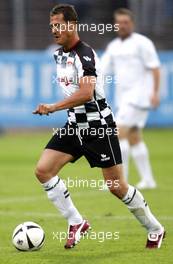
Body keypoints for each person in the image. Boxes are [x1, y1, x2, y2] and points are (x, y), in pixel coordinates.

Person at [33, 4, 165, 249]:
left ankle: (155, 228)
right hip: (75, 125)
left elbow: (86, 93)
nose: (53, 30)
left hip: (98, 127)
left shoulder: (85, 54)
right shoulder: (59, 54)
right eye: (51, 26)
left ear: (72, 25)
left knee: (117, 187)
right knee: (43, 170)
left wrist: (52, 106)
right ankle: (76, 221)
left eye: (58, 25)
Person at [101, 8, 160, 189]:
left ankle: (120, 180)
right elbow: (102, 70)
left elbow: (155, 68)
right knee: (134, 137)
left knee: (118, 134)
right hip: (124, 99)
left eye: (126, 22)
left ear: (132, 23)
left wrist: (155, 92)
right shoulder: (114, 46)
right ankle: (148, 180)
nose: (122, 26)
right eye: (119, 22)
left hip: (139, 97)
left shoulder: (143, 43)